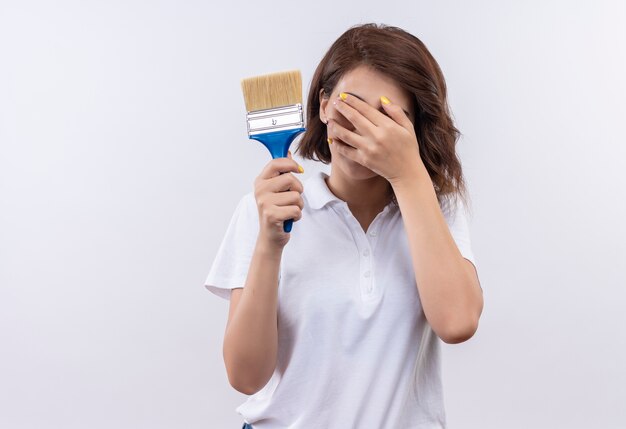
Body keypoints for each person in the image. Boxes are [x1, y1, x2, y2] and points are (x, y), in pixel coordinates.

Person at [205, 23, 483, 429]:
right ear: (322, 105)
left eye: (386, 117)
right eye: (350, 107)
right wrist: (268, 245)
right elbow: (246, 377)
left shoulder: (435, 207)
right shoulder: (261, 210)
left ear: (413, 128)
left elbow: (457, 323)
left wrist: (408, 176)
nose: (363, 129)